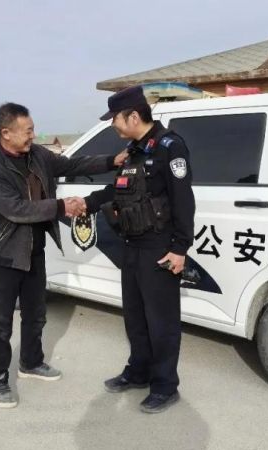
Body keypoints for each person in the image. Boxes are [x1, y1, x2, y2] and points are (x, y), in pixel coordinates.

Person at [0, 102, 127, 408]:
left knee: (36, 313)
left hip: (33, 250)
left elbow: (71, 165)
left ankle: (31, 362)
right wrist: (61, 206)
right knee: (0, 323)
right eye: (27, 131)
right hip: (3, 253)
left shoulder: (37, 155)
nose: (33, 135)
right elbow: (15, 209)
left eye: (32, 129)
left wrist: (112, 160)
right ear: (6, 133)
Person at [82, 85, 196, 413]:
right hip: (131, 244)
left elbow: (183, 200)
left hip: (159, 247)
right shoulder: (133, 151)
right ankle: (138, 371)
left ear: (133, 116)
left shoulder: (169, 147)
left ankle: (165, 385)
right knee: (135, 317)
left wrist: (180, 248)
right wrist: (86, 202)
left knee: (161, 321)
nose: (112, 125)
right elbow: (117, 190)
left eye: (115, 119)